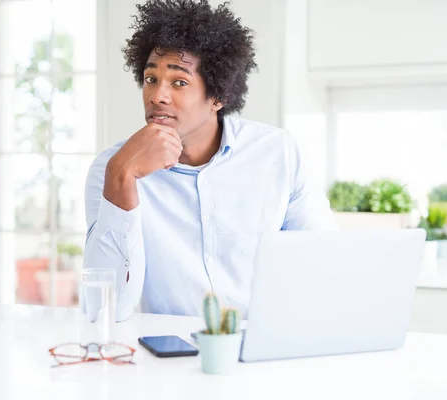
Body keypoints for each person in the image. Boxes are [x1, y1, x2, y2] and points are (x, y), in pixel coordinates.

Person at [83, 0, 337, 321]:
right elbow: (106, 309)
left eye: (179, 82)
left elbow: (323, 266)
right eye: (150, 79)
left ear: (218, 96)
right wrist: (121, 176)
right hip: (167, 358)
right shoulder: (112, 168)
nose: (158, 95)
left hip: (263, 347)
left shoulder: (279, 154)